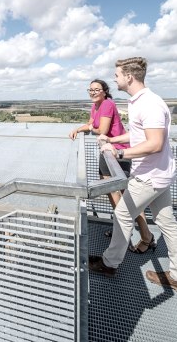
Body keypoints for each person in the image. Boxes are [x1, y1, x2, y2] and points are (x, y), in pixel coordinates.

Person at [88, 57, 177, 296]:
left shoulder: (149, 104)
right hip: (159, 175)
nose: (114, 79)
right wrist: (113, 140)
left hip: (149, 176)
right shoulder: (139, 102)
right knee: (167, 223)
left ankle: (109, 263)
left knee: (123, 215)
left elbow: (154, 144)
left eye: (117, 75)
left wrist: (120, 152)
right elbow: (139, 135)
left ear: (129, 77)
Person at [69, 79, 151, 250]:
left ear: (104, 92)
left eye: (96, 89)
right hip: (109, 152)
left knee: (121, 197)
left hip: (117, 153)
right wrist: (78, 129)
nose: (92, 92)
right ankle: (141, 235)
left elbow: (102, 131)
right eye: (90, 90)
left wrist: (90, 129)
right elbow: (92, 124)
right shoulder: (96, 105)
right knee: (120, 196)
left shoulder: (106, 104)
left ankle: (130, 233)